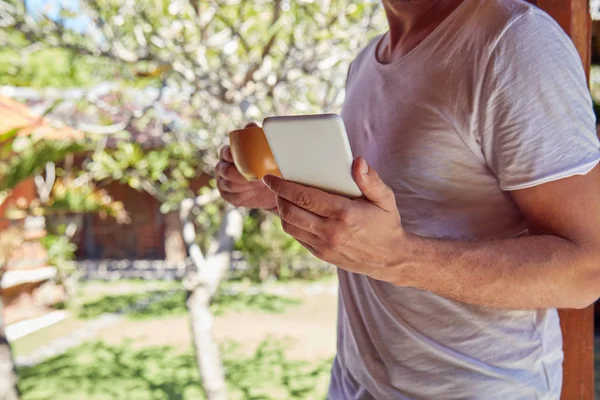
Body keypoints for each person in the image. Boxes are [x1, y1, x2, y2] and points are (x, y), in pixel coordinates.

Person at [216, 0, 600, 398]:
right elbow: (388, 205)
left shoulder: (513, 40)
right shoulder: (367, 61)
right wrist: (273, 189)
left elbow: (587, 269)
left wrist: (398, 257)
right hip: (356, 383)